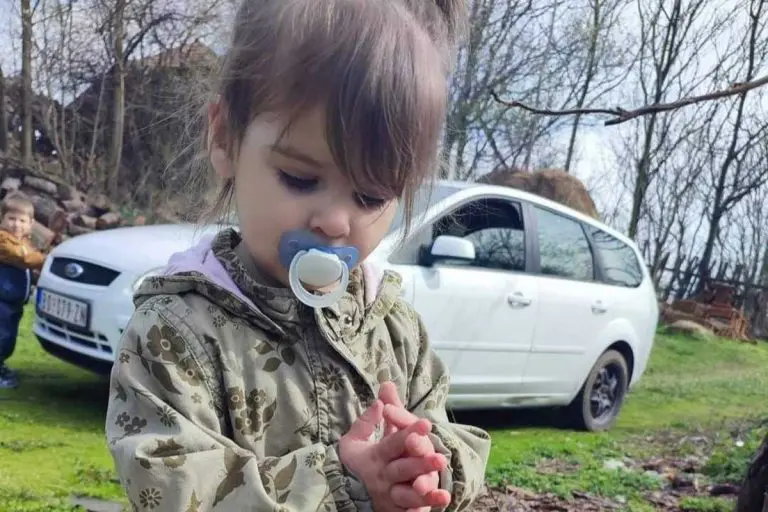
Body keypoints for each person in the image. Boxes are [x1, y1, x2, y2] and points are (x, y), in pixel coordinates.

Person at [105, 0, 491, 510]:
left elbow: (450, 432)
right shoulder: (176, 331)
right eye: (301, 179)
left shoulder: (395, 330)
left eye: (371, 197)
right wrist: (341, 482)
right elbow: (172, 486)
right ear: (225, 137)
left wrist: (423, 465)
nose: (335, 221)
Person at [0, 192, 46, 389]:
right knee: (1, 335)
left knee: (8, 335)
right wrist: (46, 259)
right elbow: (25, 258)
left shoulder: (23, 243)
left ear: (30, 224)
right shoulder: (3, 241)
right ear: (2, 219)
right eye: (11, 219)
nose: (16, 225)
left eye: (22, 220)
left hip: (13, 301)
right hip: (2, 300)